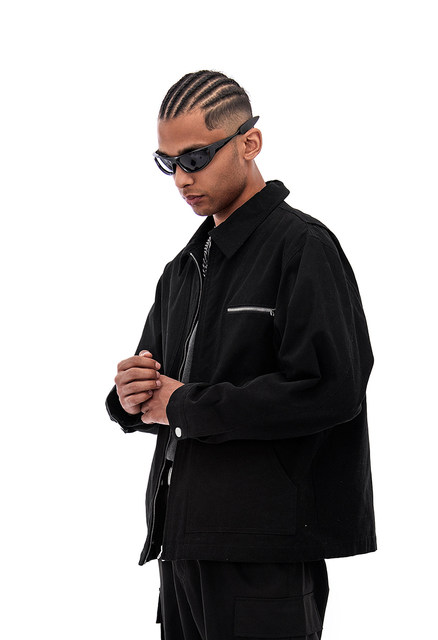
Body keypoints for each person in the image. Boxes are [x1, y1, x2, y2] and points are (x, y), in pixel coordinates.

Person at [106, 70, 376, 640]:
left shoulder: (302, 247)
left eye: (196, 157)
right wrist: (128, 397)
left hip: (264, 550)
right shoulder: (182, 269)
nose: (183, 178)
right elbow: (160, 394)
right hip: (181, 543)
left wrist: (185, 405)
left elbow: (333, 389)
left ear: (249, 143)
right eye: (168, 163)